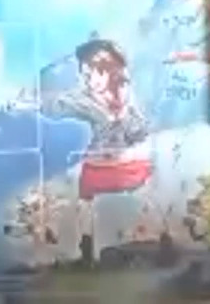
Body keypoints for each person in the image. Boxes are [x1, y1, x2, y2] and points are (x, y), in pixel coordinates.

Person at [41, 37, 153, 264]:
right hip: (97, 167)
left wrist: (121, 119)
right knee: (83, 205)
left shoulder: (127, 100)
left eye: (97, 70)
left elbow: (139, 131)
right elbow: (56, 106)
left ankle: (134, 244)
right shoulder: (82, 100)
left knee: (140, 205)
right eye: (86, 72)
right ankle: (86, 248)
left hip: (130, 166)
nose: (89, 78)